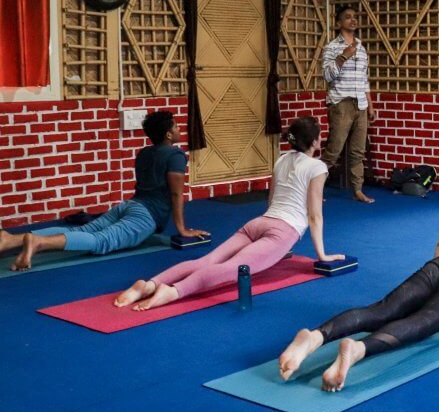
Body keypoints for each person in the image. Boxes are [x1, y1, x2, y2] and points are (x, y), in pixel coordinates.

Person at [278, 126, 439, 392]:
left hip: (438, 266)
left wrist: (435, 276)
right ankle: (358, 349)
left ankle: (315, 337)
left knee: (381, 309)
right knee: (423, 322)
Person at [114, 117, 346, 311]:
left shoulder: (282, 159)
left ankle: (149, 284)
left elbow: (272, 198)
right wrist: (322, 255)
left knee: (207, 260)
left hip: (259, 223)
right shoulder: (318, 167)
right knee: (231, 268)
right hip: (283, 230)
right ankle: (174, 292)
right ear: (315, 141)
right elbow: (315, 216)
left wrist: (273, 238)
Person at [0, 111, 207, 271]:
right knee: (102, 241)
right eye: (177, 127)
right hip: (145, 216)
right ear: (169, 134)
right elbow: (176, 194)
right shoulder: (176, 155)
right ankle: (38, 241)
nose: (180, 130)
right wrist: (182, 229)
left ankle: (10, 240)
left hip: (128, 206)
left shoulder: (144, 152)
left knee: (80, 230)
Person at [321, 5, 376, 204]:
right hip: (341, 103)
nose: (353, 20)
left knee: (357, 152)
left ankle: (357, 190)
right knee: (333, 151)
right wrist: (343, 55)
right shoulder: (331, 47)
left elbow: (364, 79)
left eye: (355, 17)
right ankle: (313, 190)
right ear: (339, 23)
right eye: (347, 17)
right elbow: (327, 75)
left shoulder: (361, 47)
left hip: (360, 104)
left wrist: (370, 105)